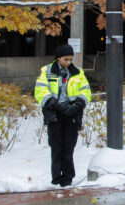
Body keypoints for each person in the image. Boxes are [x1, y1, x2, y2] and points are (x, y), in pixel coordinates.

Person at [35, 45, 91, 186]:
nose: (68, 62)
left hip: (71, 114)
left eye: (71, 59)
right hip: (55, 113)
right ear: (58, 58)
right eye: (66, 59)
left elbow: (85, 91)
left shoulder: (78, 73)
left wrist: (76, 105)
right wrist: (55, 104)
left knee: (69, 147)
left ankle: (67, 177)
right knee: (56, 146)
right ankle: (56, 177)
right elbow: (40, 91)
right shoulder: (47, 71)